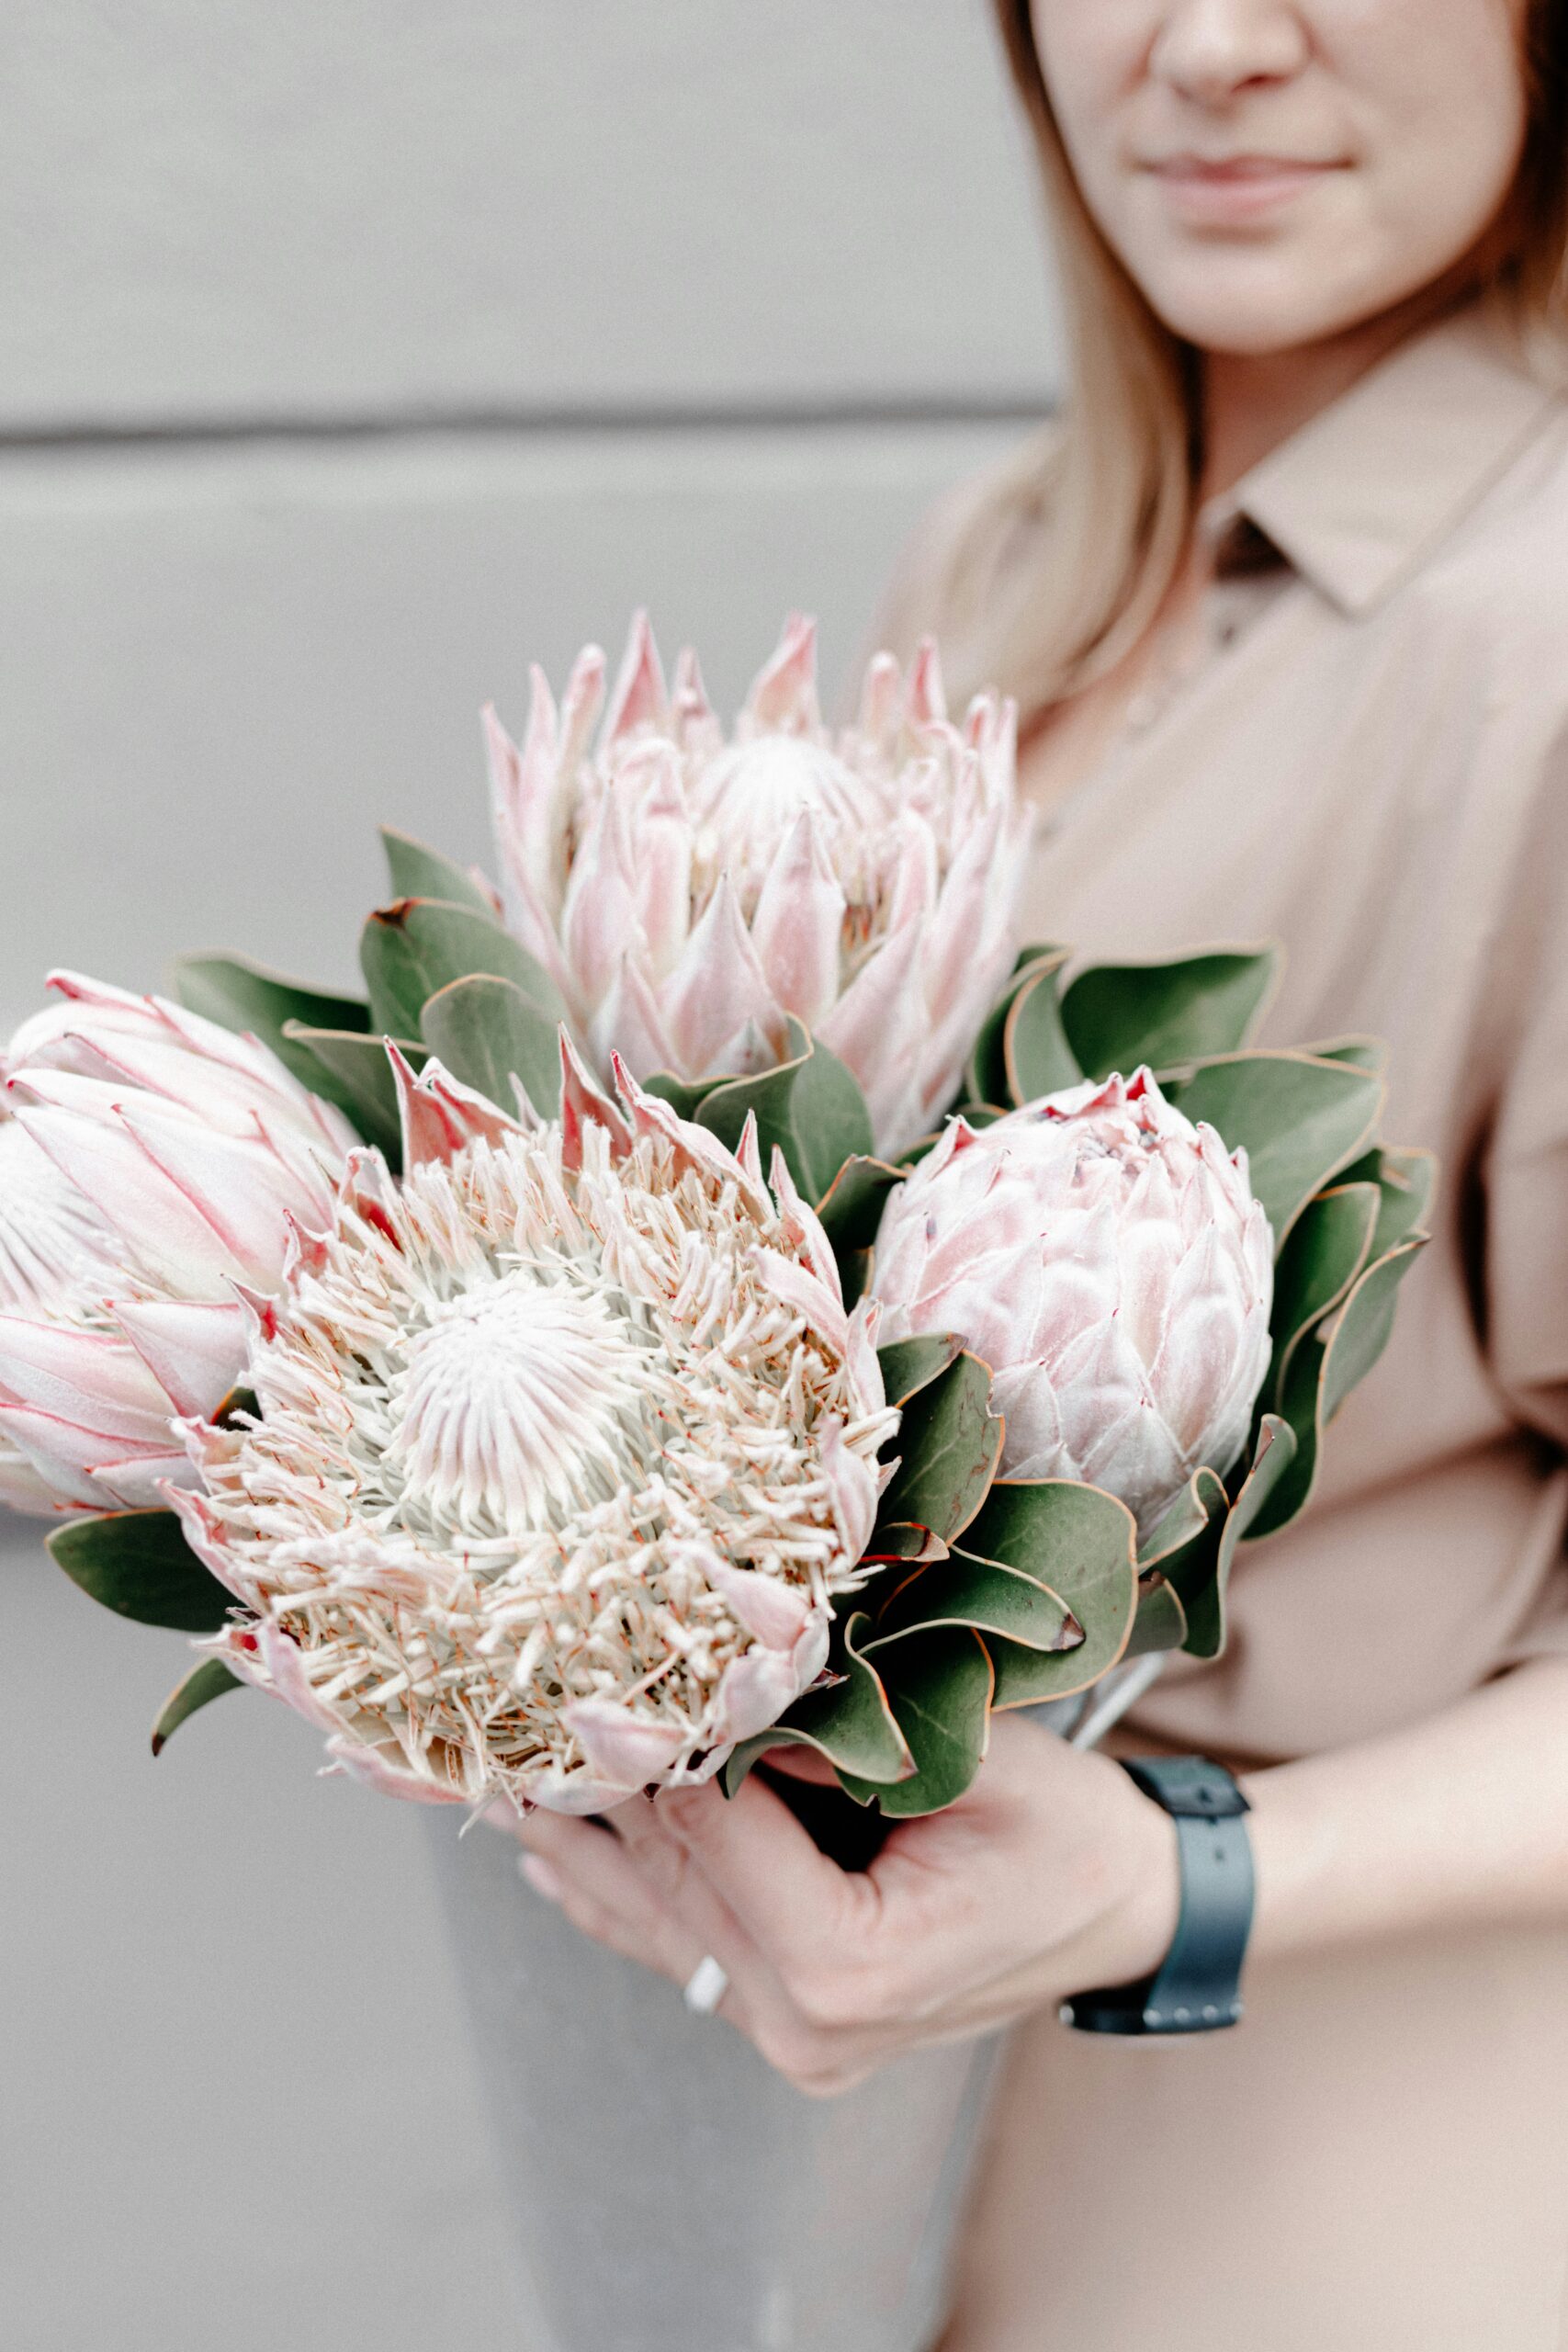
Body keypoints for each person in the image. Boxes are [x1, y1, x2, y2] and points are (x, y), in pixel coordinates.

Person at [494, 3, 1568, 2344]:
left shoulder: (1538, 631)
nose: (1203, 47)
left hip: (1354, 2179)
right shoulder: (1003, 567)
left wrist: (1182, 1879)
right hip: (886, 2145)